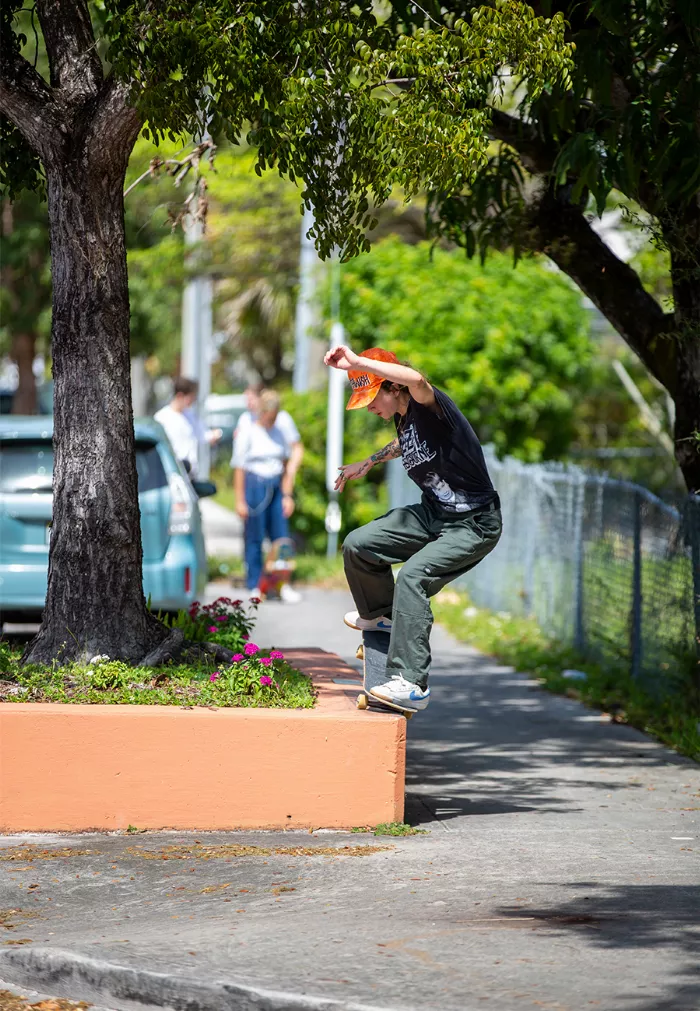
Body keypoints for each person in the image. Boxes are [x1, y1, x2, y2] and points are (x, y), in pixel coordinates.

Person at [324, 344, 502, 712]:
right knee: (359, 545)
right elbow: (405, 444)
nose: (369, 407)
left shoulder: (430, 405)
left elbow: (418, 378)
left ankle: (411, 683)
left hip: (474, 523)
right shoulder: (403, 419)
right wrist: (370, 461)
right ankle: (384, 616)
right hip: (433, 513)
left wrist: (357, 361)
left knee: (413, 577)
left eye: (373, 397)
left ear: (394, 387)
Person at [232, 389, 302, 603]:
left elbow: (285, 464)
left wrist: (287, 495)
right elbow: (239, 469)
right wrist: (240, 500)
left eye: (274, 417)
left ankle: (282, 584)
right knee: (254, 537)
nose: (271, 421)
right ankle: (255, 584)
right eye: (268, 417)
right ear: (261, 413)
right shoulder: (248, 432)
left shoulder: (279, 432)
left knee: (281, 539)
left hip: (276, 484)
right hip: (255, 484)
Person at [234, 381, 304, 492]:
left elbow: (296, 447)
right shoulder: (245, 419)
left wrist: (291, 470)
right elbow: (239, 460)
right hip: (254, 478)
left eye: (251, 399)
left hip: (277, 476)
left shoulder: (282, 420)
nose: (248, 404)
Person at [154, 377, 199, 476]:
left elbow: (202, 434)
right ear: (180, 396)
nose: (193, 400)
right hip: (173, 474)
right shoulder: (162, 418)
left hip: (190, 474)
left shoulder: (190, 415)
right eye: (191, 397)